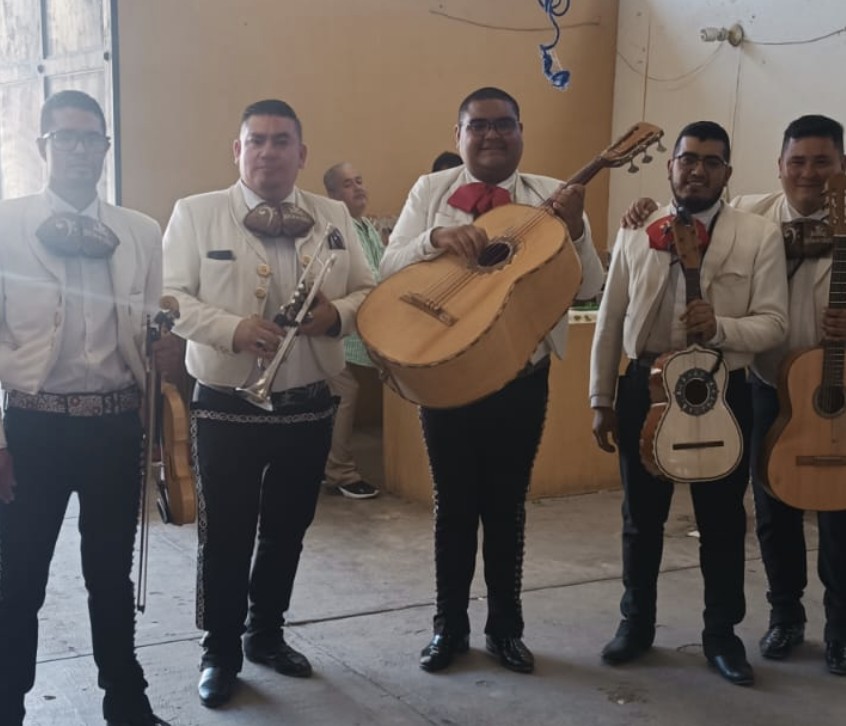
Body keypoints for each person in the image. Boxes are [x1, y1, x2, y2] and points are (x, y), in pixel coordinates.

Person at [381, 86, 604, 674]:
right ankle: (448, 629)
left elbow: (586, 289)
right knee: (453, 507)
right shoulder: (431, 192)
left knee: (506, 507)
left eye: (503, 124)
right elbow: (386, 265)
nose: (491, 135)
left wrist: (577, 230)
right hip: (447, 376)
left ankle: (506, 629)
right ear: (458, 136)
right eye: (477, 126)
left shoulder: (549, 196)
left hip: (520, 376)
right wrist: (435, 239)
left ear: (521, 132)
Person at [162, 99, 374, 709]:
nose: (268, 152)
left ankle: (266, 634)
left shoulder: (332, 213)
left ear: (301, 154)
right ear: (237, 150)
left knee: (288, 530)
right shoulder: (197, 213)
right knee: (226, 533)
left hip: (309, 401)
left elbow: (369, 289)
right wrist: (231, 330)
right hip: (228, 402)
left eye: (282, 141)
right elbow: (170, 294)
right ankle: (220, 651)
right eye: (256, 140)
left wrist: (338, 314)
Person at [619, 115, 846, 676]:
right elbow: (690, 204)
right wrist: (641, 212)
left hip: (833, 386)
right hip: (768, 383)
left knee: (836, 515)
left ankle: (835, 628)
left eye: (823, 162)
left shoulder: (788, 223)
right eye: (798, 161)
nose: (809, 173)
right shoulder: (755, 212)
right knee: (771, 513)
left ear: (841, 169)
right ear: (779, 166)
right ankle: (783, 617)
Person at [590, 121, 789, 686]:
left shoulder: (757, 236)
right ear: (670, 166)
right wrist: (601, 397)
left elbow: (773, 324)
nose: (697, 169)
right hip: (641, 388)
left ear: (727, 172)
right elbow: (610, 320)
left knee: (722, 521)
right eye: (687, 159)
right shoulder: (638, 230)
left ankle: (722, 636)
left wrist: (721, 326)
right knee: (640, 518)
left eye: (711, 161)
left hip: (722, 390)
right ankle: (636, 625)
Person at [0, 91, 170, 726]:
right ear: (42, 147)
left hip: (114, 427)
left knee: (110, 576)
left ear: (105, 147)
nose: (78, 149)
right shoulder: (5, 224)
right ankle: (7, 703)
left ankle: (126, 702)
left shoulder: (141, 231)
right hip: (31, 427)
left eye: (90, 138)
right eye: (64, 138)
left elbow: (152, 330)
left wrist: (154, 427)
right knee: (18, 579)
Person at [321, 162, 384, 500]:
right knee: (344, 393)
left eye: (360, 180)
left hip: (362, 323)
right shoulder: (335, 229)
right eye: (348, 184)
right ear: (332, 195)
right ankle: (338, 472)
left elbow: (385, 266)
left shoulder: (365, 227)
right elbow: (370, 278)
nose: (359, 188)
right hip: (335, 327)